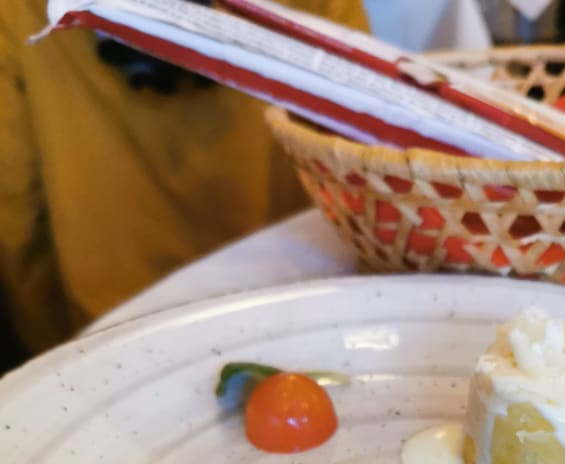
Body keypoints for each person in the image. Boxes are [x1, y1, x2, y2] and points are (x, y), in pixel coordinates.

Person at [0, 0, 368, 365]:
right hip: (309, 312)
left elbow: (17, 217)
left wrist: (56, 346)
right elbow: (367, 157)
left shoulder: (16, 14)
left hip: (114, 340)